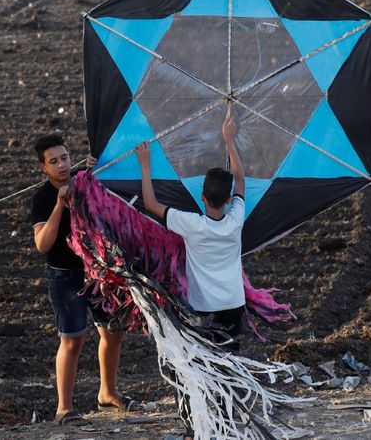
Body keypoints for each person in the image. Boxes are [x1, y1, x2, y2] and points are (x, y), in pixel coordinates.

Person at [136, 115, 245, 440]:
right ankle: (224, 422)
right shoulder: (235, 219)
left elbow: (150, 204)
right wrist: (229, 139)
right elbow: (239, 178)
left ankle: (193, 429)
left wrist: (146, 164)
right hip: (233, 307)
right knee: (227, 364)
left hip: (200, 310)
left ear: (200, 196)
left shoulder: (190, 224)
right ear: (228, 201)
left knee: (195, 366)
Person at [30, 134, 136, 426]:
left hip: (98, 271)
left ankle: (108, 393)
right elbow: (43, 244)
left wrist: (94, 169)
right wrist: (59, 205)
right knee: (73, 340)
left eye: (64, 157)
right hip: (65, 277)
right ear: (44, 168)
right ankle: (64, 408)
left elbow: (105, 188)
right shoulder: (42, 198)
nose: (62, 165)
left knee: (113, 332)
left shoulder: (81, 179)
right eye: (53, 161)